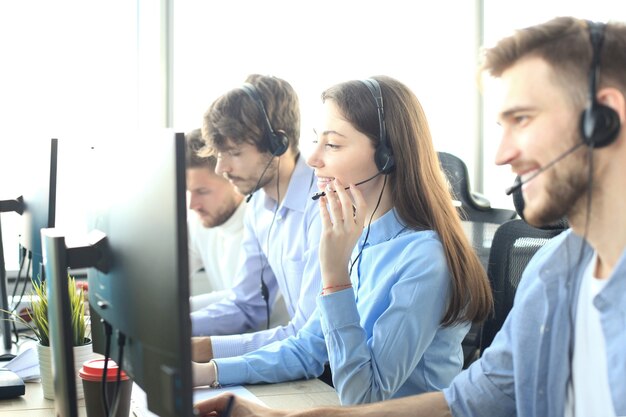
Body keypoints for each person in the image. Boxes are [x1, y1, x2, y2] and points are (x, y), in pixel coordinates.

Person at [193, 16, 626, 417]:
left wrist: (334, 278)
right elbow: (473, 397)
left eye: (523, 119)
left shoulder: (425, 256)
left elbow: (369, 391)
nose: (501, 155)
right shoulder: (553, 272)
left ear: (603, 119)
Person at [193, 75, 493, 406]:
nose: (312, 159)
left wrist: (335, 276)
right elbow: (307, 347)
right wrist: (208, 372)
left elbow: (363, 396)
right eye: (316, 142)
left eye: (332, 145)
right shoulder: (360, 237)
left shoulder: (424, 260)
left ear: (387, 156)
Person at [190, 74, 322, 362]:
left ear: (279, 144)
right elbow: (247, 306)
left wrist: (206, 350)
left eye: (234, 153)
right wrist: (169, 327)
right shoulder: (259, 207)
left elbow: (311, 337)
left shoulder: (322, 207)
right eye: (220, 154)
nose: (221, 168)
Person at [185, 128, 247, 311]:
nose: (192, 205)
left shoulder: (264, 226)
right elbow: (167, 281)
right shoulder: (199, 222)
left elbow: (242, 302)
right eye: (188, 192)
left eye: (202, 192)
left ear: (234, 180)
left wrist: (173, 312)